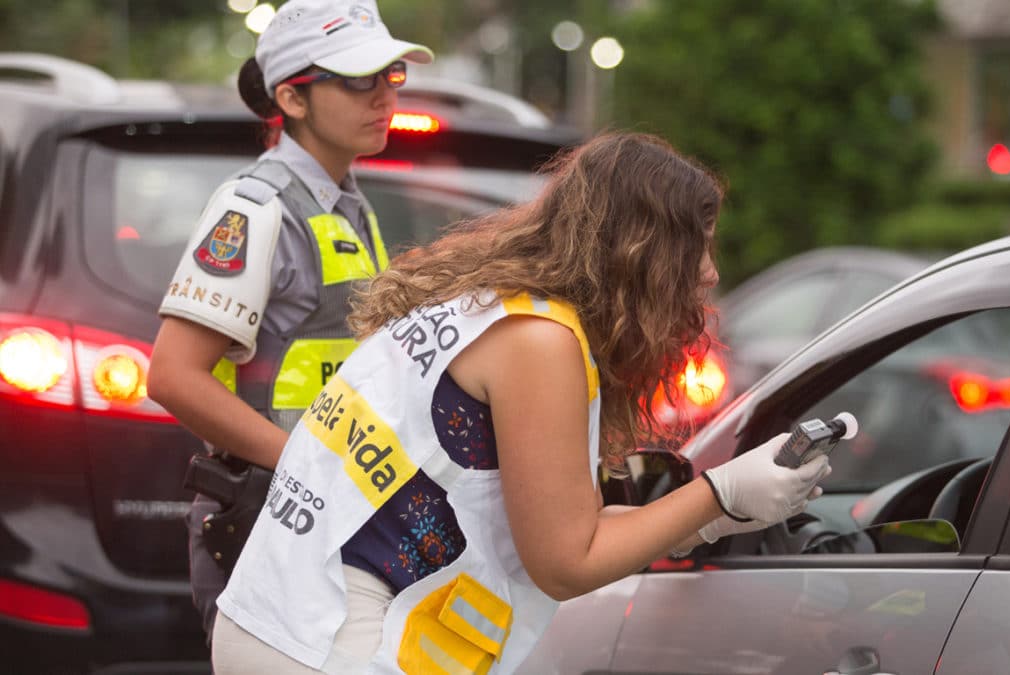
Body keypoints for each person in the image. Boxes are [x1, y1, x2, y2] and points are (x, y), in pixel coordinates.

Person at [211, 132, 832, 674]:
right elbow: (565, 562)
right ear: (644, 251)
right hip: (333, 644)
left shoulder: (503, 308)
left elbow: (566, 528)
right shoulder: (541, 343)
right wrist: (718, 491)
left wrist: (715, 518)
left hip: (290, 620)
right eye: (698, 245)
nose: (709, 273)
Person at [146, 0, 433, 643]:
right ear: (292, 99)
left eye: (392, 75)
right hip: (269, 522)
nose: (384, 95)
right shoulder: (255, 208)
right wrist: (310, 468)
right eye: (359, 80)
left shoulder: (350, 205)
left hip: (327, 517)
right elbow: (171, 376)